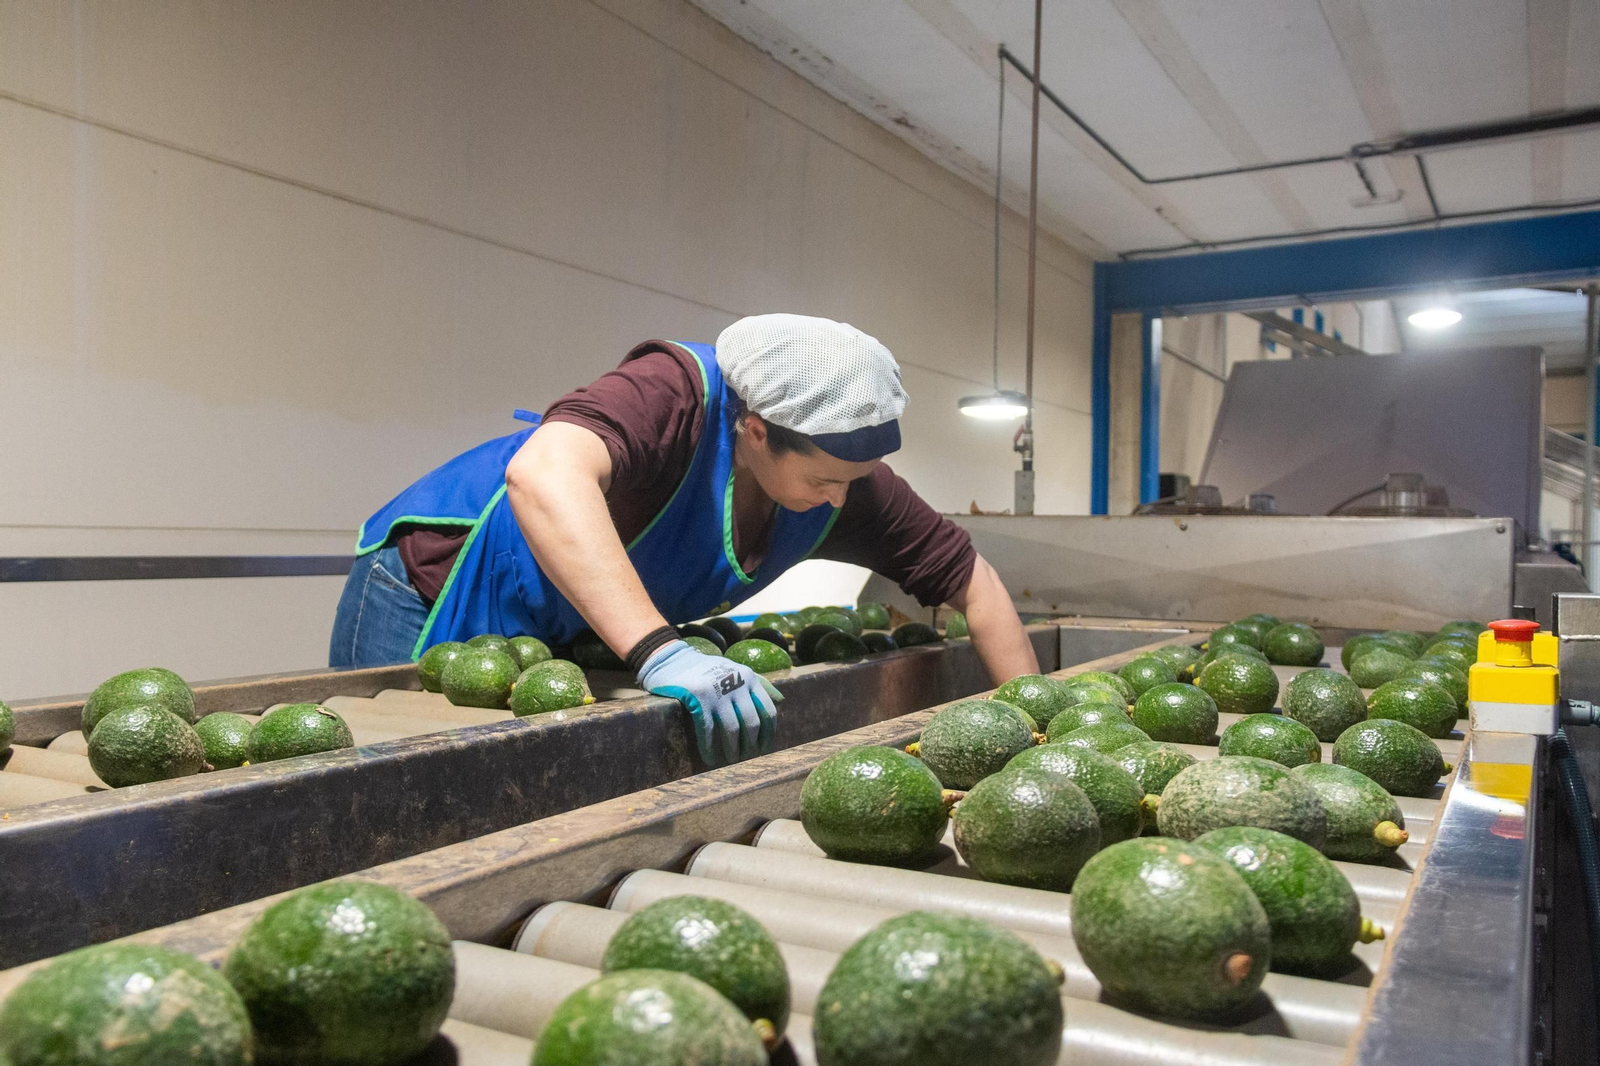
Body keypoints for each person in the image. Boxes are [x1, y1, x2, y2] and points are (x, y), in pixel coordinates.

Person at [331, 314, 1038, 764]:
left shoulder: (849, 486)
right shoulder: (672, 394)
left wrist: (1037, 724)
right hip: (440, 578)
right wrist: (660, 651)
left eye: (855, 480)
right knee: (383, 775)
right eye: (825, 479)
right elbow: (542, 472)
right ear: (755, 431)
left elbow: (974, 584)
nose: (841, 499)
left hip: (560, 629)